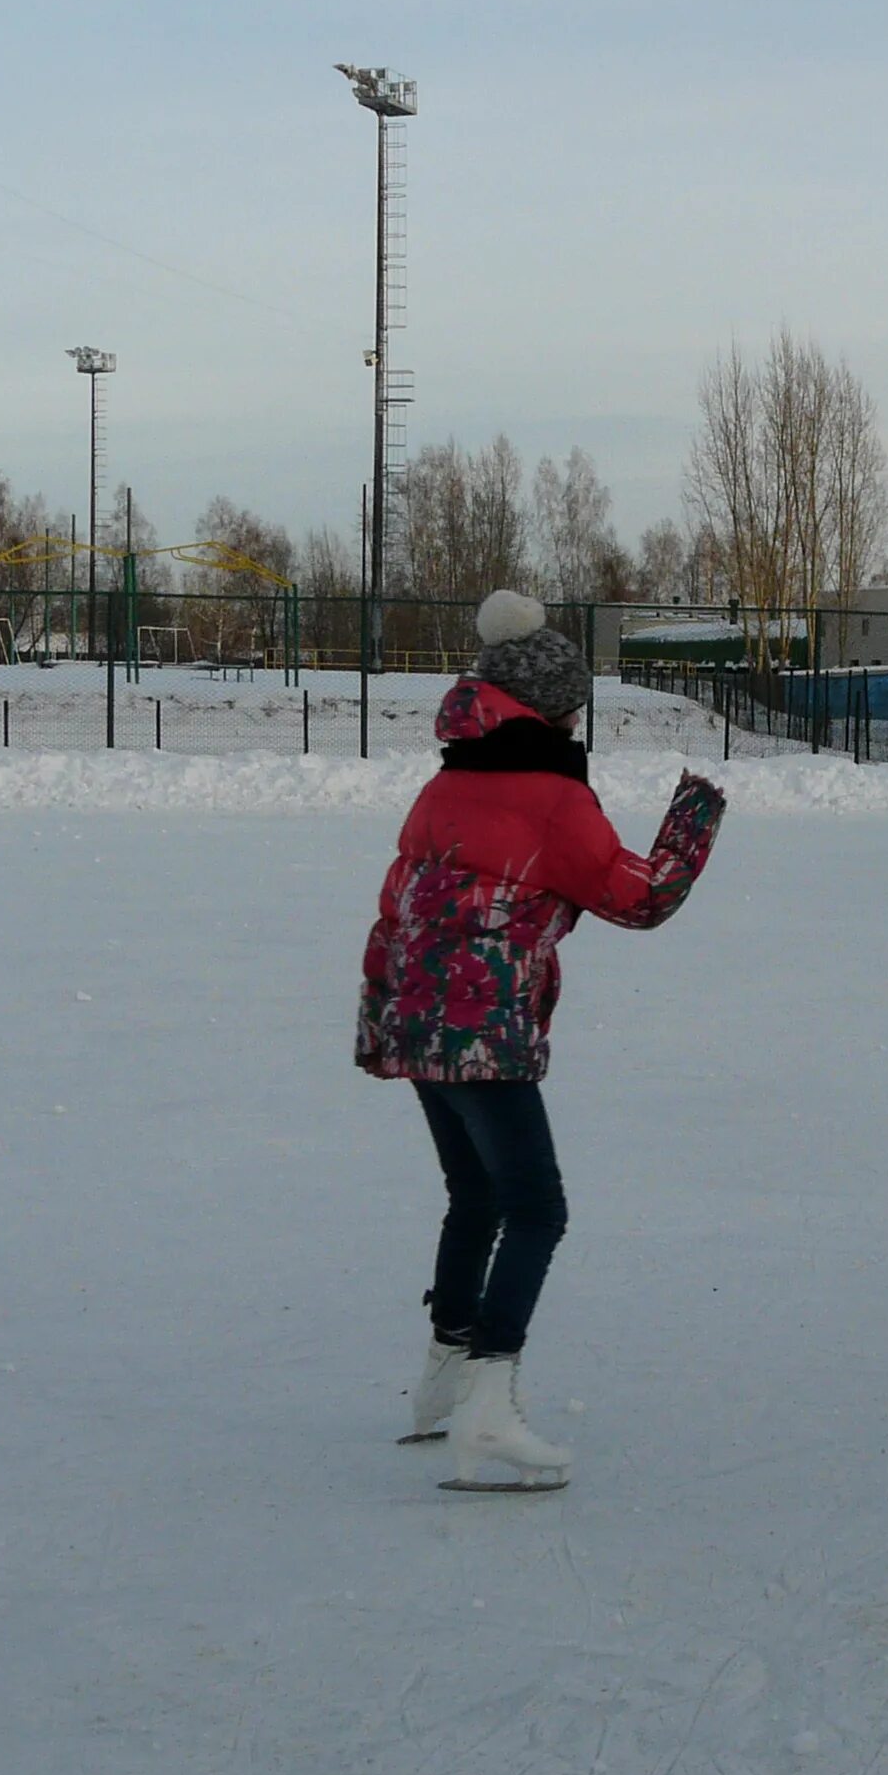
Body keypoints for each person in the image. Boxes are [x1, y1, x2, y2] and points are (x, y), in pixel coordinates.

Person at [358, 590, 728, 1491]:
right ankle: (487, 1408)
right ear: (558, 711)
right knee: (537, 1209)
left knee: (475, 1195)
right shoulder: (553, 797)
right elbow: (637, 899)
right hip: (482, 1022)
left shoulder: (446, 782)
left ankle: (443, 1382)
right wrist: (693, 825)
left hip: (408, 1012)